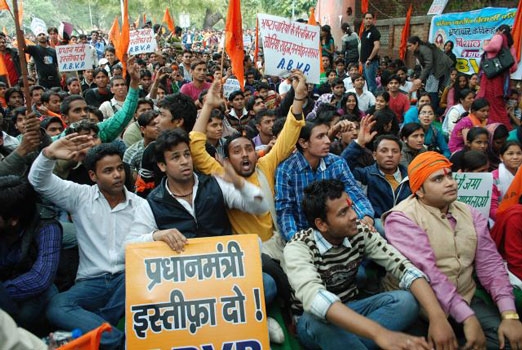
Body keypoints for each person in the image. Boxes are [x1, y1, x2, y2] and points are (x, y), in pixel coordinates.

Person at [283, 179, 456, 350]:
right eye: (343, 213)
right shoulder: (298, 247)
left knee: (406, 301)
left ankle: (347, 343)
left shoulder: (360, 231)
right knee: (316, 319)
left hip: (351, 308)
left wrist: (437, 317)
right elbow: (316, 299)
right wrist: (379, 333)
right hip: (311, 322)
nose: (354, 215)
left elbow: (403, 267)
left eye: (350, 206)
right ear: (321, 224)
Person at [384, 151, 522, 349]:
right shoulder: (401, 218)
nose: (449, 182)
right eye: (438, 179)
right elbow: (429, 273)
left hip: (465, 295)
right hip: (420, 306)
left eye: (449, 175)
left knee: (510, 340)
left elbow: (490, 264)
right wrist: (467, 318)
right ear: (419, 191)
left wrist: (509, 314)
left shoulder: (470, 213)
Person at [275, 117, 374, 241]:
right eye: (320, 137)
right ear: (303, 143)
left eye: (327, 135)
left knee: (375, 233)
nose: (328, 141)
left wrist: (366, 216)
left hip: (339, 231)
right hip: (304, 234)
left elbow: (354, 193)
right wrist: (297, 240)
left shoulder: (337, 162)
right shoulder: (287, 170)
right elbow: (285, 211)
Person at [0, 175, 61, 333]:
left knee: (22, 317)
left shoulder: (47, 227)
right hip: (5, 287)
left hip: (30, 290)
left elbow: (41, 278)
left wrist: (3, 293)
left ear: (13, 220)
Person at [342, 118, 411, 235]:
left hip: (408, 224)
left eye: (394, 151)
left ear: (400, 156)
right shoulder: (365, 175)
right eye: (384, 151)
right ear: (374, 155)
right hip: (378, 226)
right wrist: (359, 143)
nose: (390, 155)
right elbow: (341, 166)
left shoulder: (411, 176)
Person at [477, 24, 518, 129]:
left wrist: (485, 46)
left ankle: (496, 129)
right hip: (502, 81)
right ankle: (502, 130)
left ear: (500, 30)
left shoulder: (499, 36)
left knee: (489, 106)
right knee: (499, 107)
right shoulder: (510, 46)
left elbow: (494, 46)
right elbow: (514, 67)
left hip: (491, 79)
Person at [490, 141, 522, 221]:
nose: (515, 157)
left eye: (519, 153)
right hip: (500, 219)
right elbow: (492, 207)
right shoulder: (493, 177)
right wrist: (508, 219)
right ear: (501, 157)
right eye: (510, 154)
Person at [360, 12, 380, 93]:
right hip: (364, 62)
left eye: (370, 18)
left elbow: (377, 47)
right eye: (367, 18)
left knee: (371, 85)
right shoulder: (364, 31)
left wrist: (369, 59)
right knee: (366, 84)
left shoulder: (374, 31)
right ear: (363, 20)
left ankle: (374, 103)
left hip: (370, 62)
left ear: (373, 20)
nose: (368, 20)